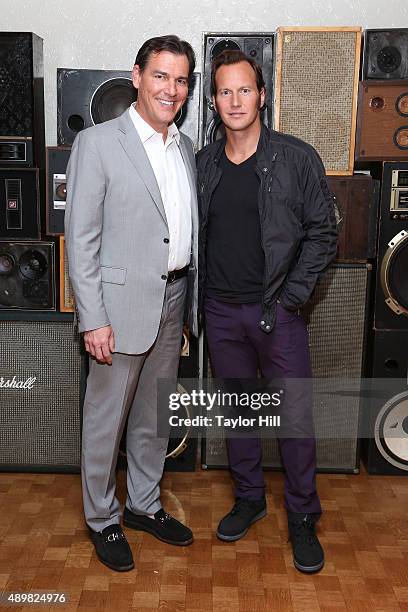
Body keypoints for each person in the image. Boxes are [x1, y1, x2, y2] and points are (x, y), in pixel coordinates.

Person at [197, 50, 337, 574]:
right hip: (221, 311)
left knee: (295, 421)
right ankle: (250, 498)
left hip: (278, 312)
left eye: (244, 90)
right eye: (224, 91)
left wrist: (293, 297)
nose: (235, 100)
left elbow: (324, 232)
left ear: (262, 95)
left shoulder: (297, 158)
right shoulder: (204, 163)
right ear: (214, 100)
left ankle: (302, 515)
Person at [65, 35, 198, 572]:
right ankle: (102, 518)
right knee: (106, 421)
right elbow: (82, 239)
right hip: (117, 310)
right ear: (137, 76)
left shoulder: (184, 147)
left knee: (152, 418)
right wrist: (92, 319)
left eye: (182, 80)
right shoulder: (97, 144)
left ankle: (144, 505)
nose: (171, 89)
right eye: (161, 76)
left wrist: (186, 307)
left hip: (173, 298)